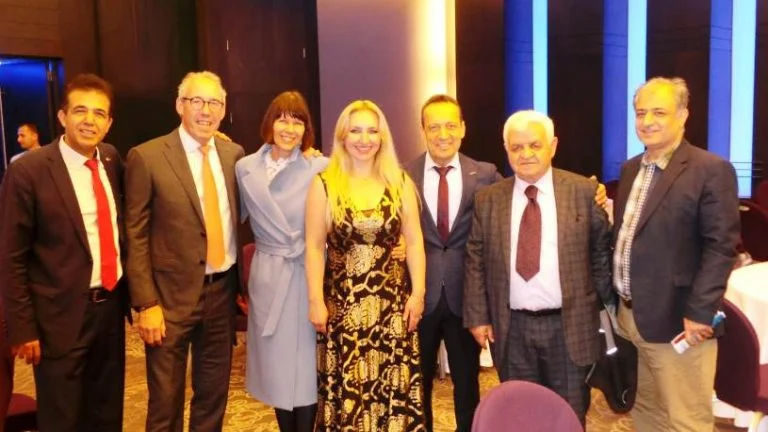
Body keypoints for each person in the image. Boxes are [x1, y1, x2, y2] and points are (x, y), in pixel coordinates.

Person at [463, 110, 612, 424]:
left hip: (569, 328)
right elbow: (475, 258)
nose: (526, 154)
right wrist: (478, 316)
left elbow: (600, 255)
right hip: (512, 328)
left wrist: (608, 311)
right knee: (521, 418)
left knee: (568, 417)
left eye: (534, 145)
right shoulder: (488, 199)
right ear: (506, 150)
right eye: (517, 147)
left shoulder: (583, 192)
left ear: (552, 146)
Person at [0, 73, 128, 432]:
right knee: (63, 417)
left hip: (110, 310)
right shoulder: (28, 171)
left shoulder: (111, 159)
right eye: (80, 111)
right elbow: (11, 256)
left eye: (99, 113)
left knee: (106, 412)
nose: (90, 121)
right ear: (62, 117)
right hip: (57, 318)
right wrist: (22, 328)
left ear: (109, 123)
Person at [612, 77, 739, 431]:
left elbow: (720, 247)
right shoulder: (630, 169)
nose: (647, 121)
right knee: (645, 409)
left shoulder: (710, 170)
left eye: (659, 112)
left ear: (683, 115)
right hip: (629, 318)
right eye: (641, 113)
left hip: (679, 321)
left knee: (686, 420)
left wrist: (700, 312)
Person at [124, 71, 245, 432]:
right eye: (197, 101)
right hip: (167, 300)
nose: (206, 110)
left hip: (221, 293)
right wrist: (145, 303)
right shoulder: (147, 157)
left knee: (213, 396)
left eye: (214, 103)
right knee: (166, 401)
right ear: (180, 105)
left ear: (223, 109)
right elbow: (135, 234)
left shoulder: (234, 155)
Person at [305, 100, 427, 431]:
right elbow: (314, 248)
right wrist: (315, 301)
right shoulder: (324, 184)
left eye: (372, 131)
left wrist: (418, 295)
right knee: (349, 391)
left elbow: (415, 242)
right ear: (342, 137)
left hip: (392, 309)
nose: (364, 139)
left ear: (382, 137)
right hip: (343, 310)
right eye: (355, 131)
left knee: (393, 387)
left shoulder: (399, 182)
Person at [404, 94, 501, 432]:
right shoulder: (404, 175)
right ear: (423, 130)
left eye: (450, 126)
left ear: (463, 128)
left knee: (467, 384)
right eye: (434, 127)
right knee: (417, 385)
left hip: (466, 296)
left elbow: (515, 202)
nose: (442, 134)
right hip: (419, 297)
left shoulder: (485, 174)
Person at [236, 91, 327, 432]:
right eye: (282, 120)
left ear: (307, 130)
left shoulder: (320, 166)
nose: (289, 129)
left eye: (298, 122)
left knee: (303, 368)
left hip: (306, 273)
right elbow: (232, 217)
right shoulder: (245, 167)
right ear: (269, 123)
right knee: (276, 368)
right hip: (269, 275)